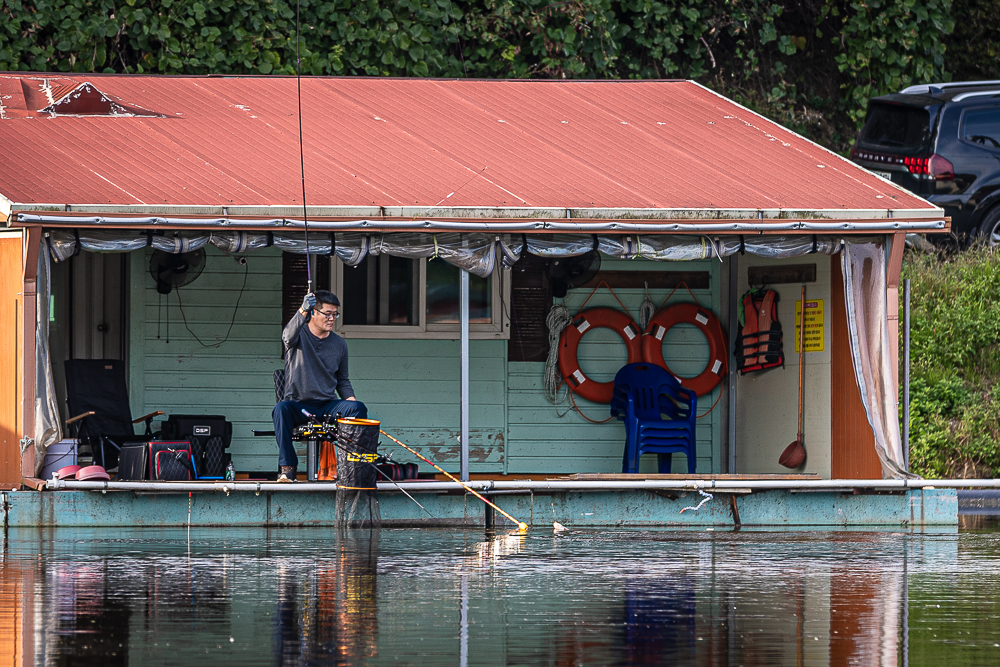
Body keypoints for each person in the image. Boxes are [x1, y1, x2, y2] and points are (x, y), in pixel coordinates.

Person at [273, 290, 367, 482]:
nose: (332, 319)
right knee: (280, 408)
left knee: (358, 408)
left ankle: (351, 468)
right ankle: (288, 469)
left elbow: (342, 380)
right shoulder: (298, 335)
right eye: (327, 314)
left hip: (327, 406)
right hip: (299, 406)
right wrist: (302, 310)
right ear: (313, 312)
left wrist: (351, 403)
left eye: (335, 314)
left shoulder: (340, 344)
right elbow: (287, 336)